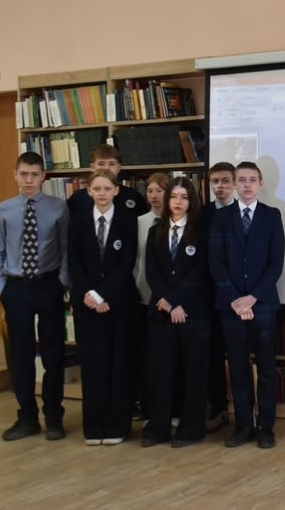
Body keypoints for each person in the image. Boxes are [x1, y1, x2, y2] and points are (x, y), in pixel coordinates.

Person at [0, 151, 70, 441]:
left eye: (34, 175)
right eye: (23, 174)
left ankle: (53, 416)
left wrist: (62, 283)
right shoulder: (4, 209)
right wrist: (0, 287)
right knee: (21, 355)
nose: (28, 180)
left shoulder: (58, 207)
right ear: (15, 175)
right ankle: (26, 416)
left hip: (48, 285)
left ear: (43, 177)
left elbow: (66, 249)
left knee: (53, 354)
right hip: (16, 288)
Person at [208, 161, 285, 448]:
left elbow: (276, 264)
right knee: (238, 368)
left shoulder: (272, 216)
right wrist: (235, 299)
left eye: (253, 180)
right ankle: (243, 426)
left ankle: (265, 426)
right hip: (231, 305)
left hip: (261, 304)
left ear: (261, 184)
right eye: (241, 180)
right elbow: (216, 262)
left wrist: (252, 298)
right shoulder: (221, 217)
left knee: (265, 368)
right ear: (234, 184)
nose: (247, 185)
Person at [68, 169, 139, 445]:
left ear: (116, 190)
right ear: (88, 191)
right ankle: (94, 427)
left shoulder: (127, 220)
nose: (102, 193)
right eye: (96, 189)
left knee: (118, 364)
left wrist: (102, 294)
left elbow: (127, 263)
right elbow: (74, 263)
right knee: (93, 365)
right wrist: (90, 295)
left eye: (107, 189)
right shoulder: (77, 221)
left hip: (117, 302)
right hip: (87, 304)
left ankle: (116, 427)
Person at [142, 177, 210, 448]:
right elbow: (151, 272)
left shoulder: (201, 232)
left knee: (193, 373)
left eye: (184, 197)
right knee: (161, 371)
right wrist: (168, 302)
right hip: (162, 311)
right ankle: (158, 427)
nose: (178, 202)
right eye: (173, 196)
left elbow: (199, 273)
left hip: (194, 312)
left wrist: (177, 301)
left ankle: (190, 429)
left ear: (191, 201)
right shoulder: (155, 231)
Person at [131, 172, 170, 420]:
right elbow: (134, 260)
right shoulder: (139, 222)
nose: (154, 196)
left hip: (168, 298)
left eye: (159, 191)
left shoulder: (177, 221)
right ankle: (146, 406)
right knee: (145, 354)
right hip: (142, 294)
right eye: (150, 191)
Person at [200, 162, 236, 432]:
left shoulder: (243, 210)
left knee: (239, 355)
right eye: (215, 181)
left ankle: (245, 411)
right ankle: (219, 407)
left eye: (225, 181)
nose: (220, 186)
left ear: (234, 183)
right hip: (210, 296)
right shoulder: (203, 214)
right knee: (212, 355)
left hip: (239, 296)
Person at [67, 144, 148, 217]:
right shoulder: (78, 198)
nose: (106, 168)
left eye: (111, 164)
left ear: (119, 167)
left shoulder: (133, 196)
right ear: (92, 167)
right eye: (101, 164)